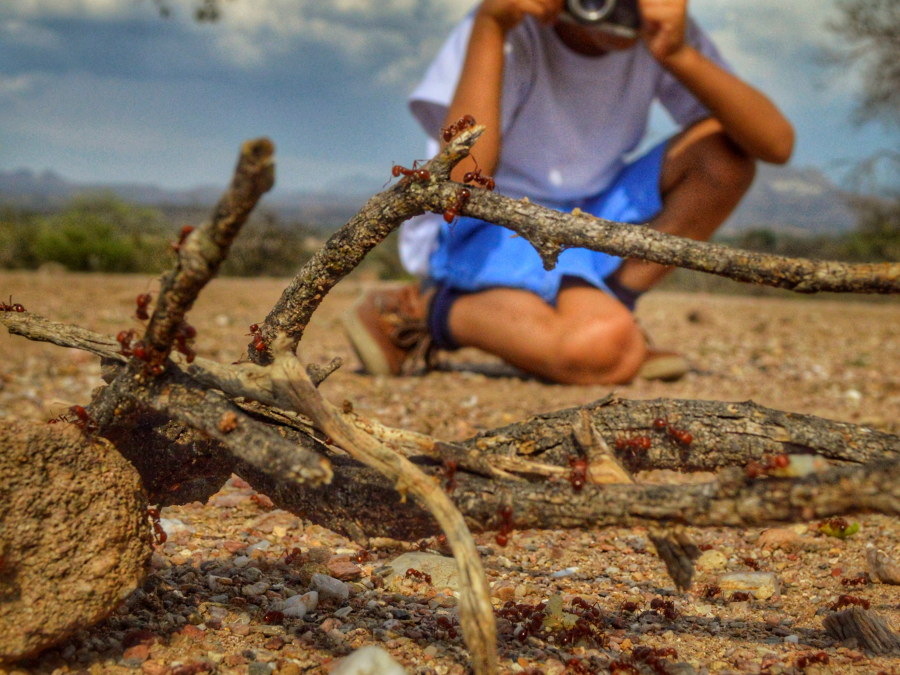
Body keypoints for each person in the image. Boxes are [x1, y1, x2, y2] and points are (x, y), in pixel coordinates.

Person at [343, 0, 794, 385]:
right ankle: (423, 309)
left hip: (592, 216)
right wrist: (491, 25)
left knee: (723, 155)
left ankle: (611, 307)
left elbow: (775, 144)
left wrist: (677, 53)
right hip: (488, 219)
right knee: (601, 350)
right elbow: (460, 178)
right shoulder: (511, 21)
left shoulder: (655, 30)